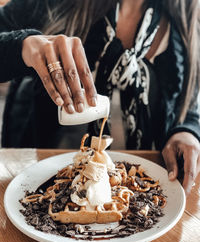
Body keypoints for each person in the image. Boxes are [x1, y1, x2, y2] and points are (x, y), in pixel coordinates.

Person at [0, 0, 199, 195]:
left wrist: (186, 131)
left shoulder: (186, 20)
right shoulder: (49, 4)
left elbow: (189, 104)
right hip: (45, 185)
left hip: (144, 192)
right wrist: (22, 46)